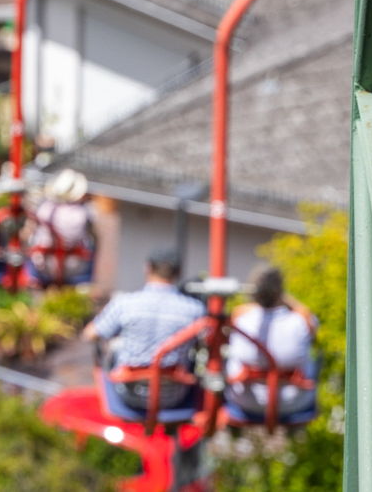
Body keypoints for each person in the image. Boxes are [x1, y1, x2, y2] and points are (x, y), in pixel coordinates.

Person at [87, 249, 206, 421]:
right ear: (178, 273)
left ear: (147, 268)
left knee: (114, 350)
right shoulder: (195, 310)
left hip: (128, 395)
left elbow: (91, 334)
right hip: (174, 397)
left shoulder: (125, 303)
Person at [221, 265, 318, 427]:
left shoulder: (240, 319)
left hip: (245, 402)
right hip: (294, 404)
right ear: (281, 292)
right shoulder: (301, 321)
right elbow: (307, 315)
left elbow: (239, 313)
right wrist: (281, 296)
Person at [22, 168, 99, 290]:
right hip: (75, 268)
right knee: (92, 244)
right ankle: (89, 283)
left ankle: (32, 278)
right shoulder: (84, 212)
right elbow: (95, 236)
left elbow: (28, 233)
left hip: (43, 266)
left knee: (32, 241)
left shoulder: (44, 209)